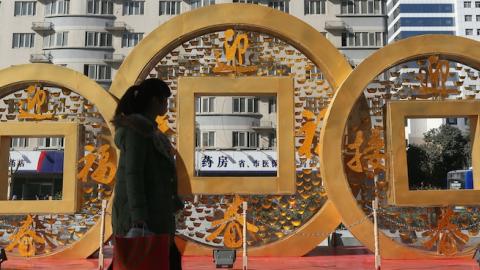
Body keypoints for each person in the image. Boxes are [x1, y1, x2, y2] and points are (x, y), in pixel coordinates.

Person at [111, 78, 184, 270]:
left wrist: (173, 202)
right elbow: (133, 174)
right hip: (143, 219)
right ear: (154, 101)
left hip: (156, 216)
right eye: (164, 101)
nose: (166, 105)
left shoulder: (151, 132)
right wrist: (139, 216)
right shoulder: (137, 132)